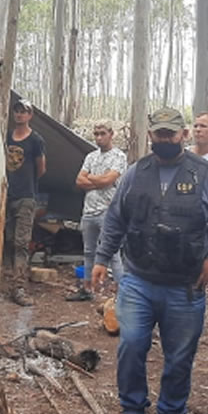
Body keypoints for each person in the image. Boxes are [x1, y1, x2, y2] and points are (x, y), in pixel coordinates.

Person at [91, 108, 208, 414]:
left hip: (185, 286)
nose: (164, 139)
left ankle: (170, 412)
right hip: (138, 280)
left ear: (183, 135)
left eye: (170, 134)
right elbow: (116, 218)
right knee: (131, 346)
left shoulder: (206, 175)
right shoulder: (135, 173)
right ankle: (132, 408)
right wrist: (101, 258)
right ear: (150, 135)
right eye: (159, 134)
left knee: (179, 358)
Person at [67, 121, 127, 302]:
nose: (99, 137)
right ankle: (87, 288)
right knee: (88, 251)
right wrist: (99, 180)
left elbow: (108, 180)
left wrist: (91, 178)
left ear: (111, 134)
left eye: (102, 133)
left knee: (113, 252)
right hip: (89, 210)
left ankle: (122, 293)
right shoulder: (91, 156)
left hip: (108, 210)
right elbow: (79, 181)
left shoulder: (118, 156)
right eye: (96, 134)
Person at [5, 98, 46, 306]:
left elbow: (41, 168)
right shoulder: (6, 136)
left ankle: (19, 287)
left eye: (24, 111)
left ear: (30, 115)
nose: (20, 114)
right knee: (7, 239)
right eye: (17, 111)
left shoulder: (35, 140)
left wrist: (26, 183)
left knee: (21, 243)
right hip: (5, 195)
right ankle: (7, 280)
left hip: (26, 197)